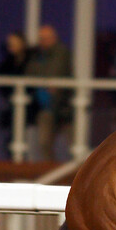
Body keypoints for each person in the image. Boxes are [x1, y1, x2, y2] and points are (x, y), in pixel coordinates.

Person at [25, 25, 73, 161]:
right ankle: (49, 171)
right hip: (46, 106)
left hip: (64, 105)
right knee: (44, 143)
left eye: (46, 38)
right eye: (41, 39)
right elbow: (30, 73)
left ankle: (78, 175)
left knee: (72, 143)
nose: (43, 42)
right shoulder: (37, 55)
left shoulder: (61, 53)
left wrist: (44, 79)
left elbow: (55, 73)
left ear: (54, 38)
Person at [0, 32, 31, 155]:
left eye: (15, 43)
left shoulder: (31, 60)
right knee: (12, 137)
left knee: (28, 138)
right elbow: (2, 82)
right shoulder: (7, 63)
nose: (12, 46)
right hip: (12, 106)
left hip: (30, 107)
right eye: (10, 44)